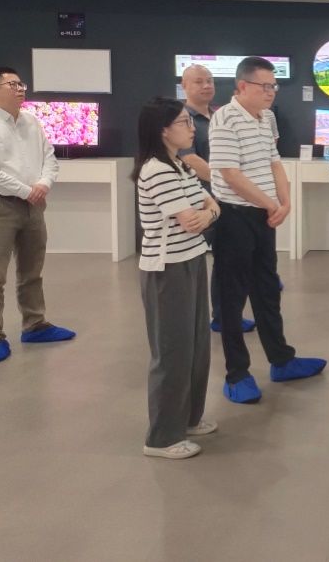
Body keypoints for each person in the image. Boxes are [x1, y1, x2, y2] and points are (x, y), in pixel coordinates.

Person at [209, 56, 324, 403]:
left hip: (263, 217)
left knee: (267, 289)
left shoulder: (266, 118)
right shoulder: (224, 119)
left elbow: (275, 163)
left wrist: (284, 202)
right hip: (234, 218)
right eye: (265, 86)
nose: (271, 92)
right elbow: (230, 175)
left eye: (274, 86)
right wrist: (272, 205)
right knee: (232, 299)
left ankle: (281, 359)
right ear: (243, 86)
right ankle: (237, 374)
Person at [133, 97, 219, 459]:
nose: (191, 127)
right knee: (172, 351)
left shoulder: (181, 166)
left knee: (197, 346)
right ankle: (162, 438)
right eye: (184, 122)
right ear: (163, 130)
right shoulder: (156, 170)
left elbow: (210, 205)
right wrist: (206, 213)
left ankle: (188, 419)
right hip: (167, 269)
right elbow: (189, 220)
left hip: (193, 259)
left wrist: (208, 213)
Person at [0, 67, 75, 364]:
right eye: (12, 84)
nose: (20, 89)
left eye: (21, 84)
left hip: (33, 205)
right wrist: (26, 190)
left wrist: (43, 184)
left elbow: (49, 158)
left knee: (32, 270)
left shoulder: (32, 121)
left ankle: (35, 325)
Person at [177, 64, 256, 334]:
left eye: (209, 80)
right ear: (184, 86)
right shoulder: (182, 119)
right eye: (199, 81)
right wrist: (229, 181)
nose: (207, 85)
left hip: (227, 202)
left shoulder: (220, 116)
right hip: (198, 201)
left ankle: (225, 317)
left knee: (228, 262)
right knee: (193, 264)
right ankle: (191, 321)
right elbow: (189, 158)